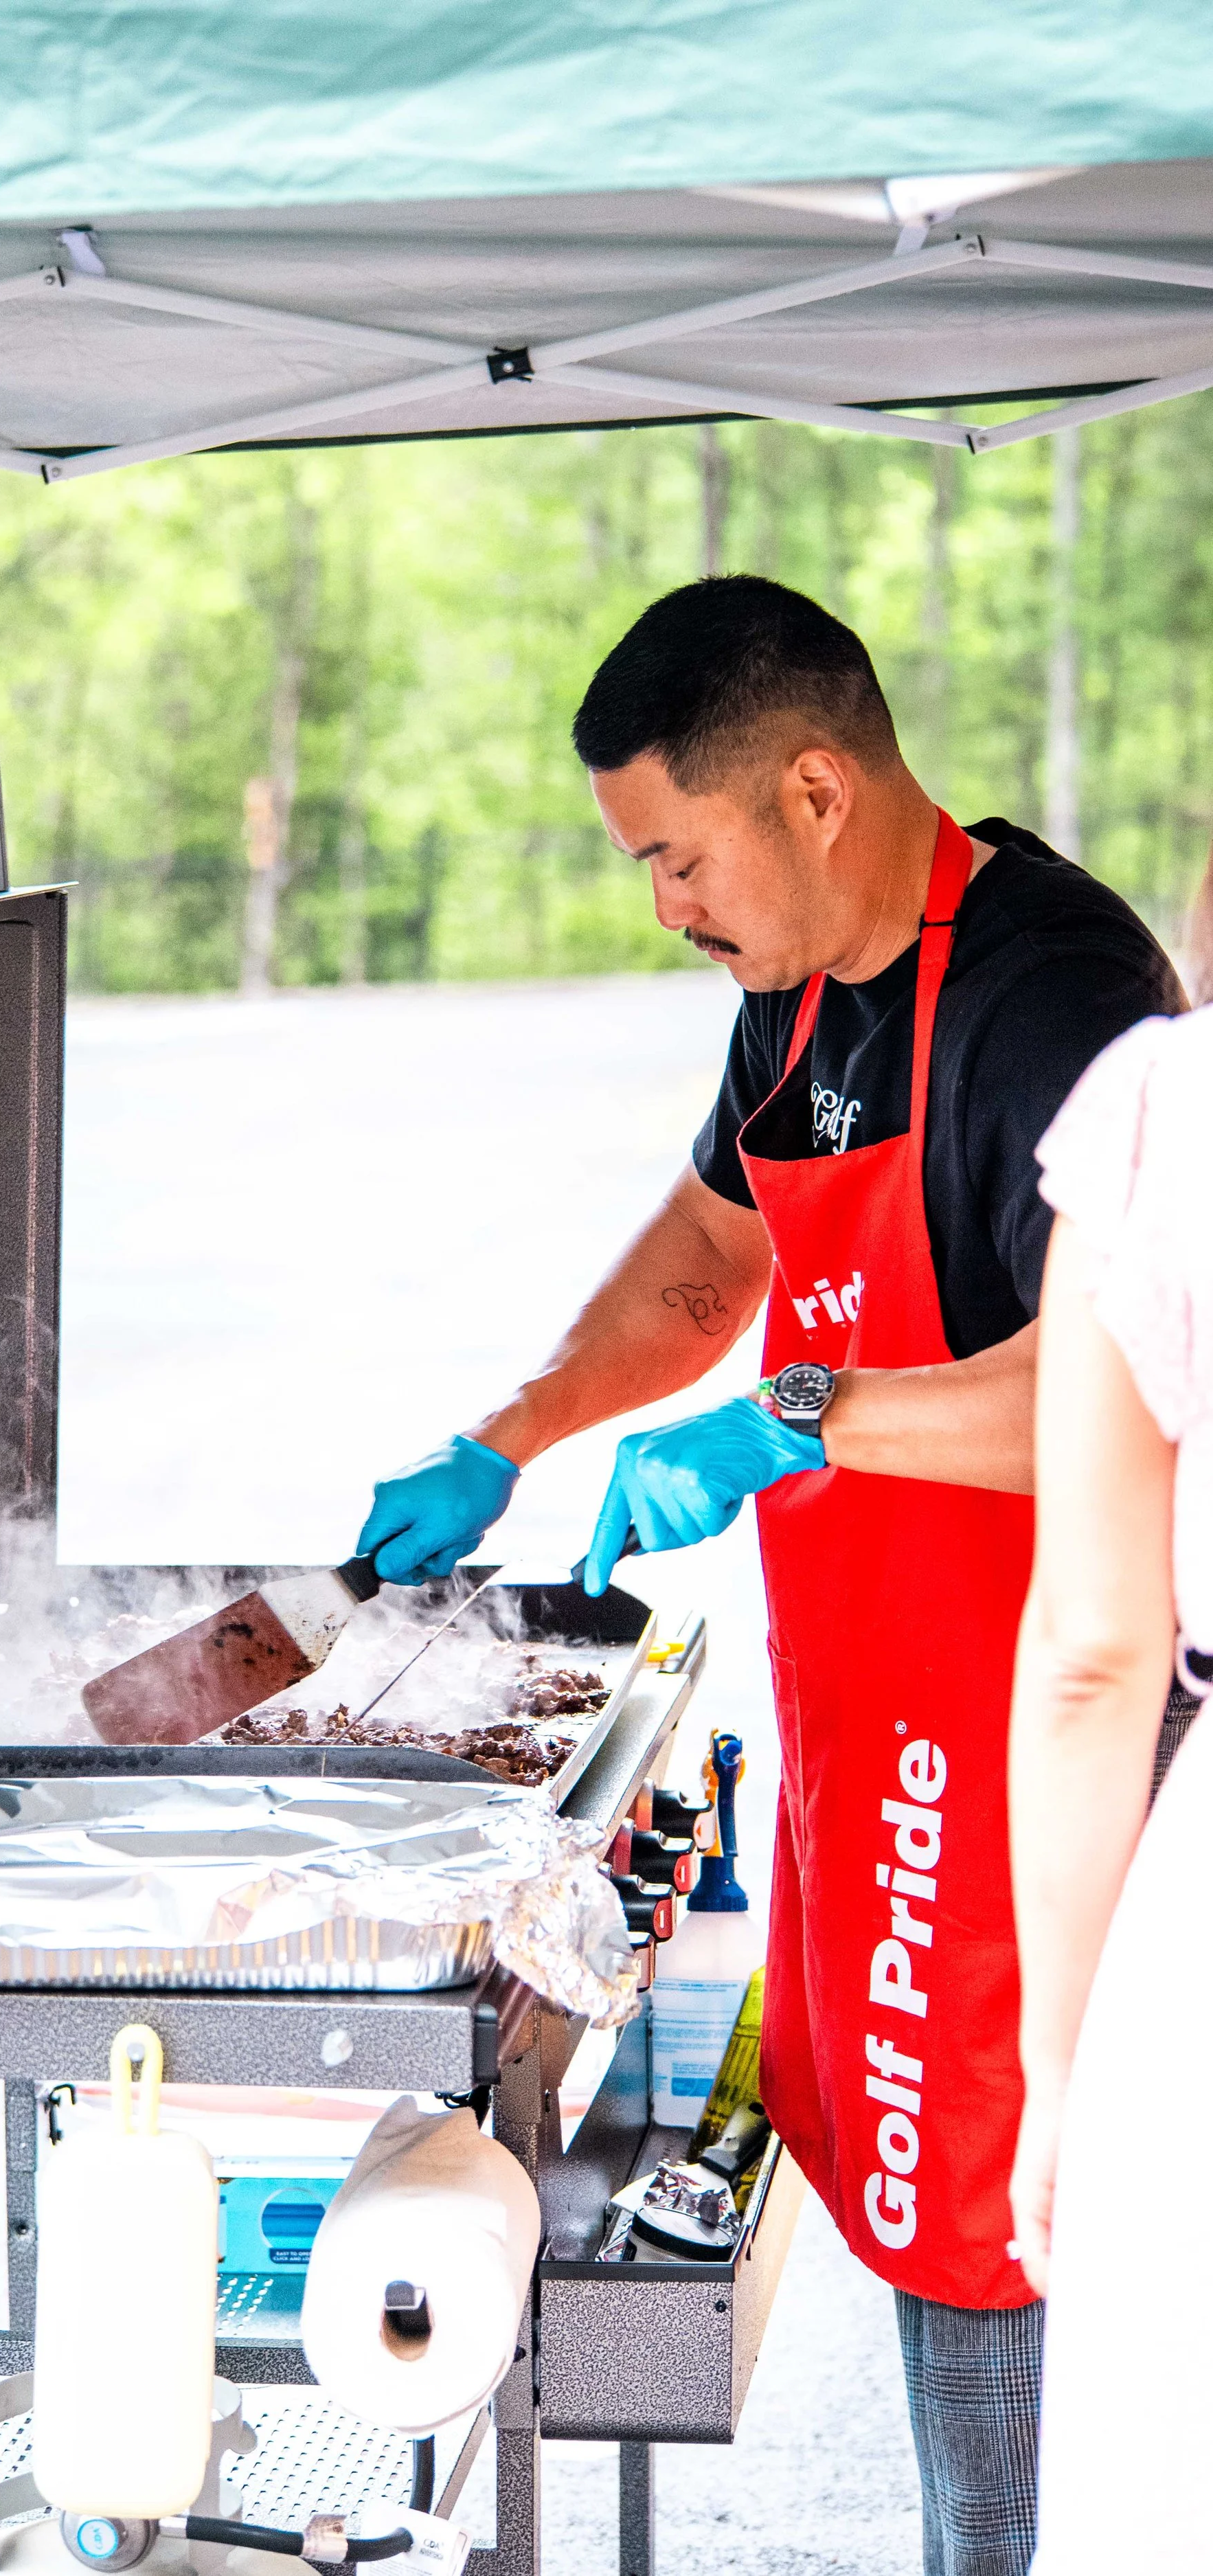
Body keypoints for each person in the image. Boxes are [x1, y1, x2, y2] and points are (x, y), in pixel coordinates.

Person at [356, 577, 1181, 2576]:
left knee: (1017, 2232)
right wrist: (515, 1428)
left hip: (1032, 1756)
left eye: (674, 853)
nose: (663, 903)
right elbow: (703, 1263)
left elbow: (1114, 1401)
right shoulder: (795, 991)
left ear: (813, 788)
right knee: (931, 2213)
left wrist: (798, 1420)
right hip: (877, 1726)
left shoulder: (1051, 1000)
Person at [1008, 999, 1213, 2572]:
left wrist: (1053, 2071)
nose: (667, 904)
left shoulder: (1159, 1104)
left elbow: (1092, 1653)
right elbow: (707, 1228)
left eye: (673, 858)